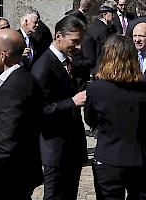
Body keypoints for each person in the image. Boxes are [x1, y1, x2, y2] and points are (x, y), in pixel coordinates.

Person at [85, 35, 146, 199]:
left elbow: (90, 119)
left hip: (108, 157)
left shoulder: (96, 89)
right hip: (138, 157)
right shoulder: (145, 90)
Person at [0, 29, 43, 200]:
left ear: (3, 55)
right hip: (24, 169)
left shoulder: (12, 89)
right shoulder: (27, 79)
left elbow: (8, 141)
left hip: (8, 178)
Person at [31, 15, 88, 200]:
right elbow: (38, 111)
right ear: (58, 37)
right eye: (74, 42)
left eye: (80, 42)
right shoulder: (43, 67)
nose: (78, 47)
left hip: (71, 146)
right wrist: (72, 103)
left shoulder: (67, 62)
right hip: (55, 148)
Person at [82, 2, 117, 73]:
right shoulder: (104, 30)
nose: (114, 16)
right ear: (104, 15)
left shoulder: (93, 26)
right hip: (101, 67)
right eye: (113, 13)